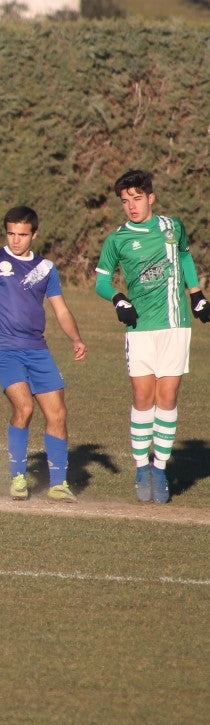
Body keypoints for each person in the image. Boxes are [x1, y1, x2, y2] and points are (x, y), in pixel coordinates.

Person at [95, 169, 210, 504]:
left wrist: (196, 293)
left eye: (137, 198)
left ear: (151, 198)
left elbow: (184, 256)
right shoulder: (117, 239)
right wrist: (119, 299)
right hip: (140, 329)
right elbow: (101, 281)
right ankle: (140, 466)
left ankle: (159, 469)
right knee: (143, 397)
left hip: (175, 325)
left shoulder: (173, 227)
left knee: (168, 397)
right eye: (125, 201)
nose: (131, 206)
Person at [0, 205, 86, 502]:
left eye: (22, 235)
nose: (15, 240)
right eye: (11, 234)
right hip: (4, 349)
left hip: (38, 349)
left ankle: (58, 484)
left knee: (58, 413)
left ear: (34, 235)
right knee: (25, 408)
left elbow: (61, 310)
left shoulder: (46, 268)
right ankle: (18, 477)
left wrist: (75, 338)